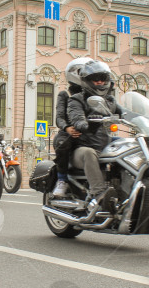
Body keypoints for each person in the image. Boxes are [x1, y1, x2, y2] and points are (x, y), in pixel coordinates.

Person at [67, 60, 121, 208]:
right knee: (89, 153)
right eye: (95, 79)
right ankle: (99, 193)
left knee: (127, 146)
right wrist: (85, 124)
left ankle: (122, 190)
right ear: (86, 81)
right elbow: (76, 118)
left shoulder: (109, 101)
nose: (99, 82)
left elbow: (127, 114)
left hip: (103, 145)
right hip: (80, 148)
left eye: (102, 79)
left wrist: (143, 119)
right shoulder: (76, 100)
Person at [52, 58, 90, 197]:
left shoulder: (93, 93)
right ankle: (62, 180)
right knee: (63, 143)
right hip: (70, 132)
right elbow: (59, 117)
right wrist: (67, 127)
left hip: (88, 131)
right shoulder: (65, 94)